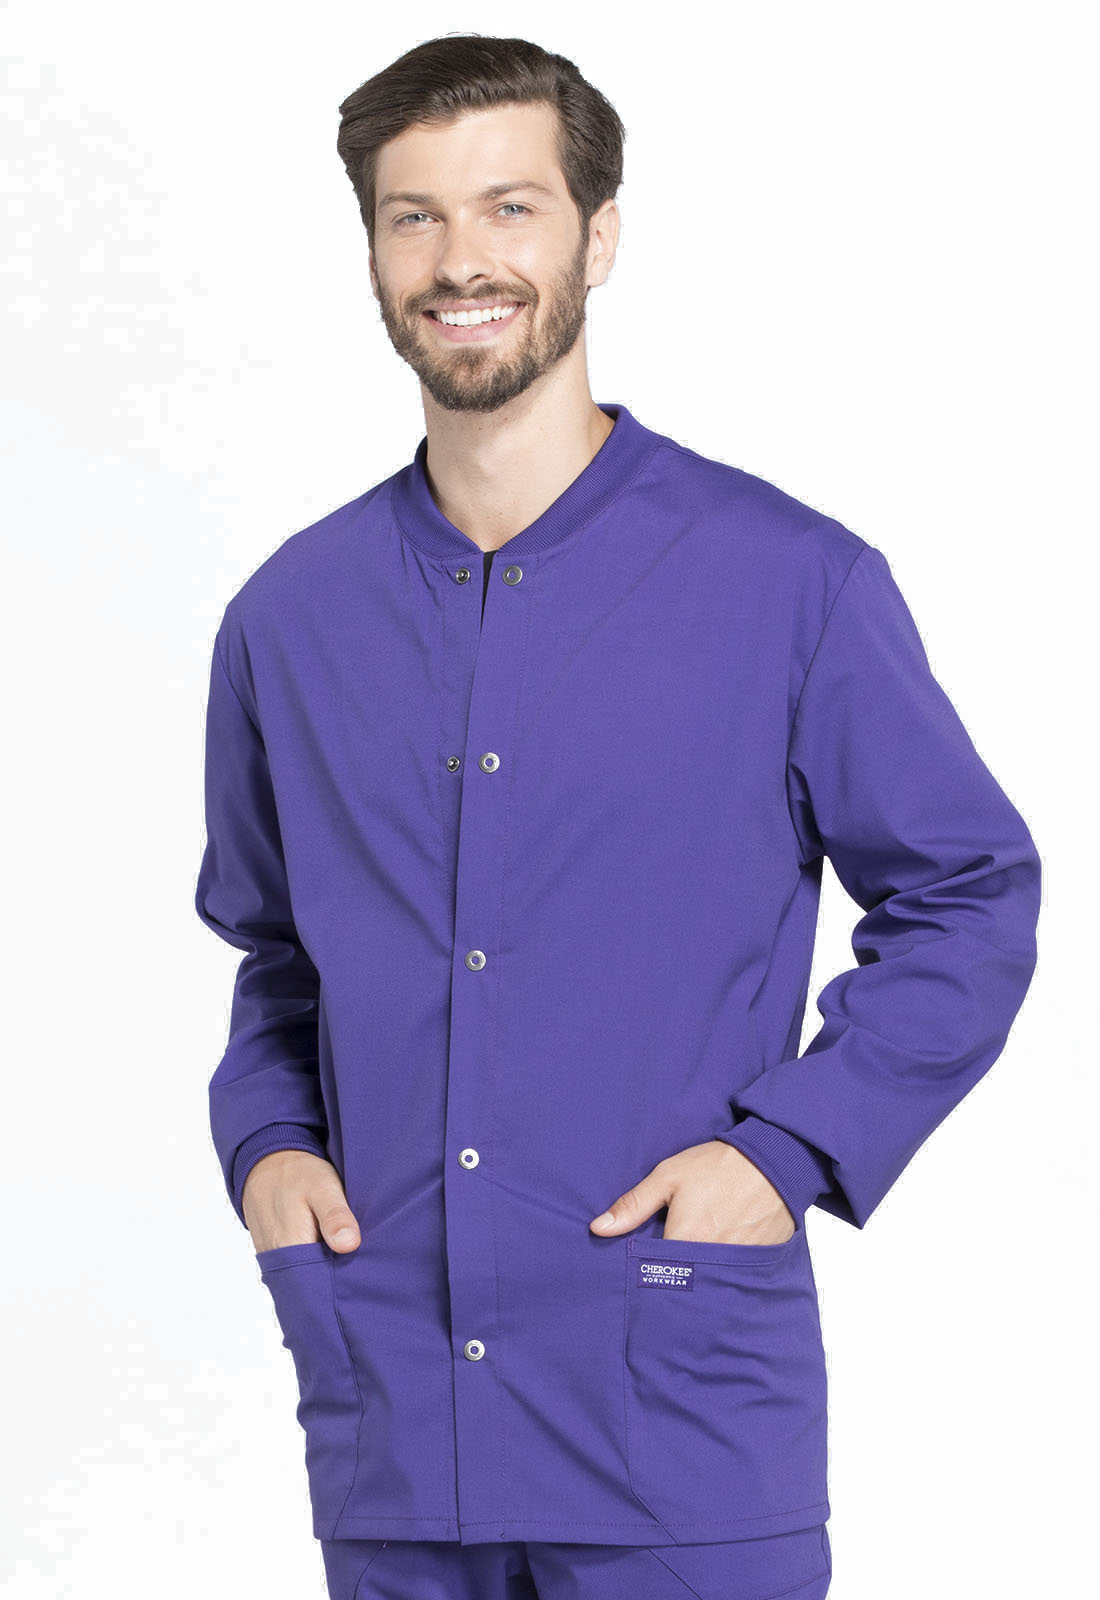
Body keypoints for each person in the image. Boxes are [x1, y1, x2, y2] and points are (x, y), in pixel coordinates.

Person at [194, 33, 1042, 1600]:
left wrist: (790, 1151)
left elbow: (970, 897)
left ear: (599, 233)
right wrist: (267, 1148)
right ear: (372, 249)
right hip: (395, 1430)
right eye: (414, 216)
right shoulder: (289, 618)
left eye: (510, 207)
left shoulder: (790, 584)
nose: (461, 261)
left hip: (680, 1425)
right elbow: (278, 957)